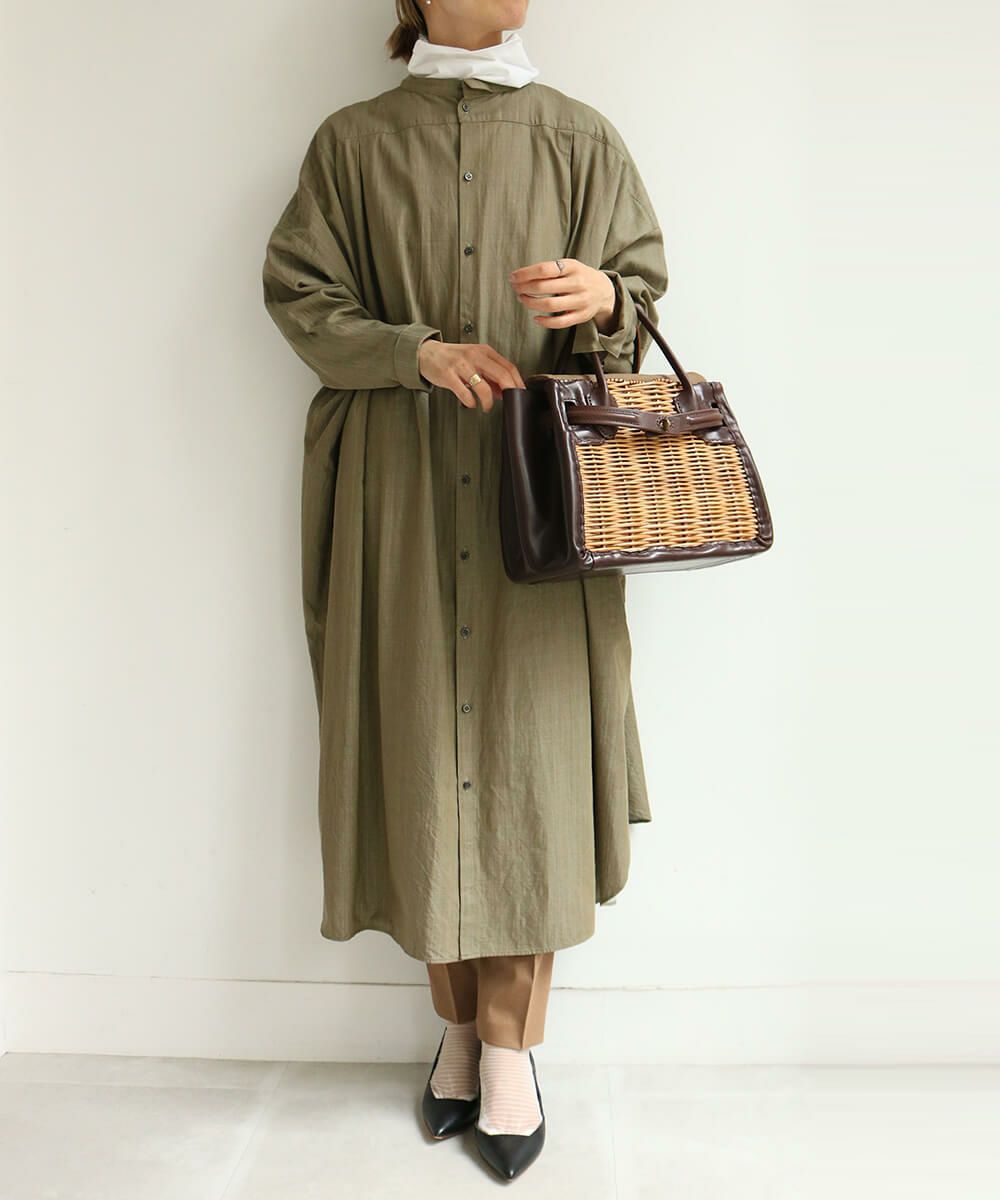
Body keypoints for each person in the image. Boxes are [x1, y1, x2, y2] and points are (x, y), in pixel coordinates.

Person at [261, 0, 668, 1180]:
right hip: (395, 491)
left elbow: (641, 295)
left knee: (530, 763)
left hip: (540, 499)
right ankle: (455, 1025)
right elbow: (300, 297)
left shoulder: (579, 137)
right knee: (418, 756)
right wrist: (416, 352)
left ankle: (506, 1049)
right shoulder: (351, 144)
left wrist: (605, 301)